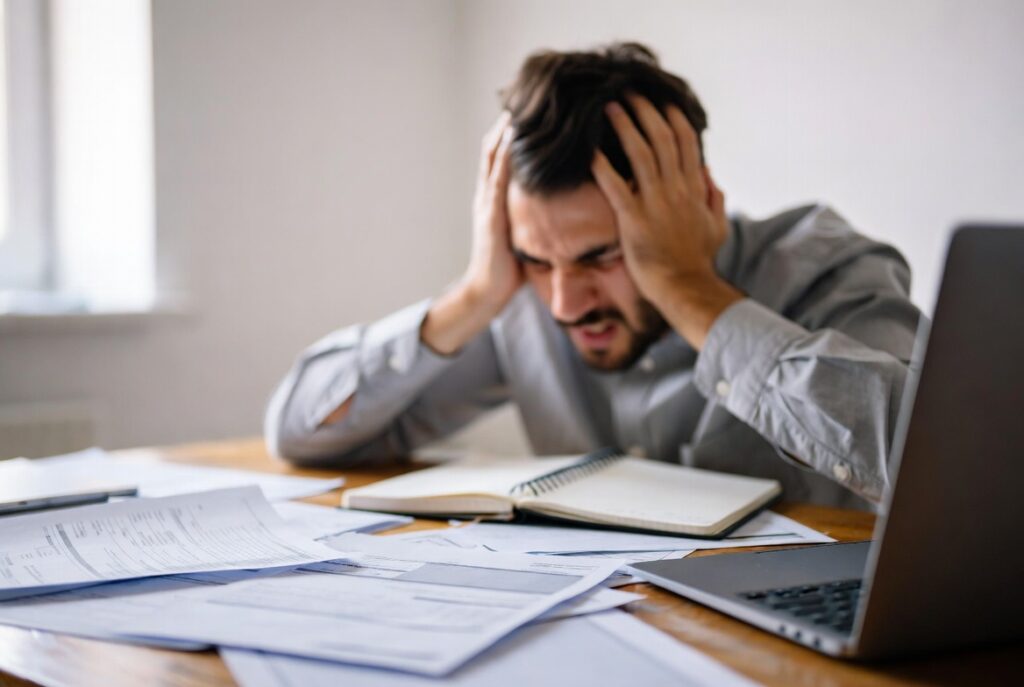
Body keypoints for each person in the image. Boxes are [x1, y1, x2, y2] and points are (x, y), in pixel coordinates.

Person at [265, 43, 922, 510]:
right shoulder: (527, 301)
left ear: (695, 203)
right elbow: (299, 430)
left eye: (601, 255)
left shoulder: (825, 266)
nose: (564, 301)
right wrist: (473, 296)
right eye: (536, 257)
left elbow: (943, 469)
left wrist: (692, 294)